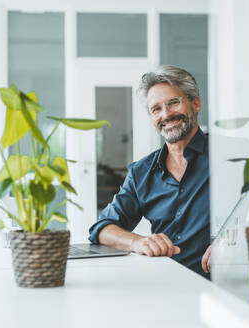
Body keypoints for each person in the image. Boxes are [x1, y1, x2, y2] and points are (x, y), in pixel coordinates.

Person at [88, 65, 212, 277]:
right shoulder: (141, 172)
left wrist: (232, 242)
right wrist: (139, 242)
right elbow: (102, 229)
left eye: (174, 102)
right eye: (156, 109)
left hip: (220, 287)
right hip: (162, 284)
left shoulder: (231, 155)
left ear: (196, 103)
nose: (166, 115)